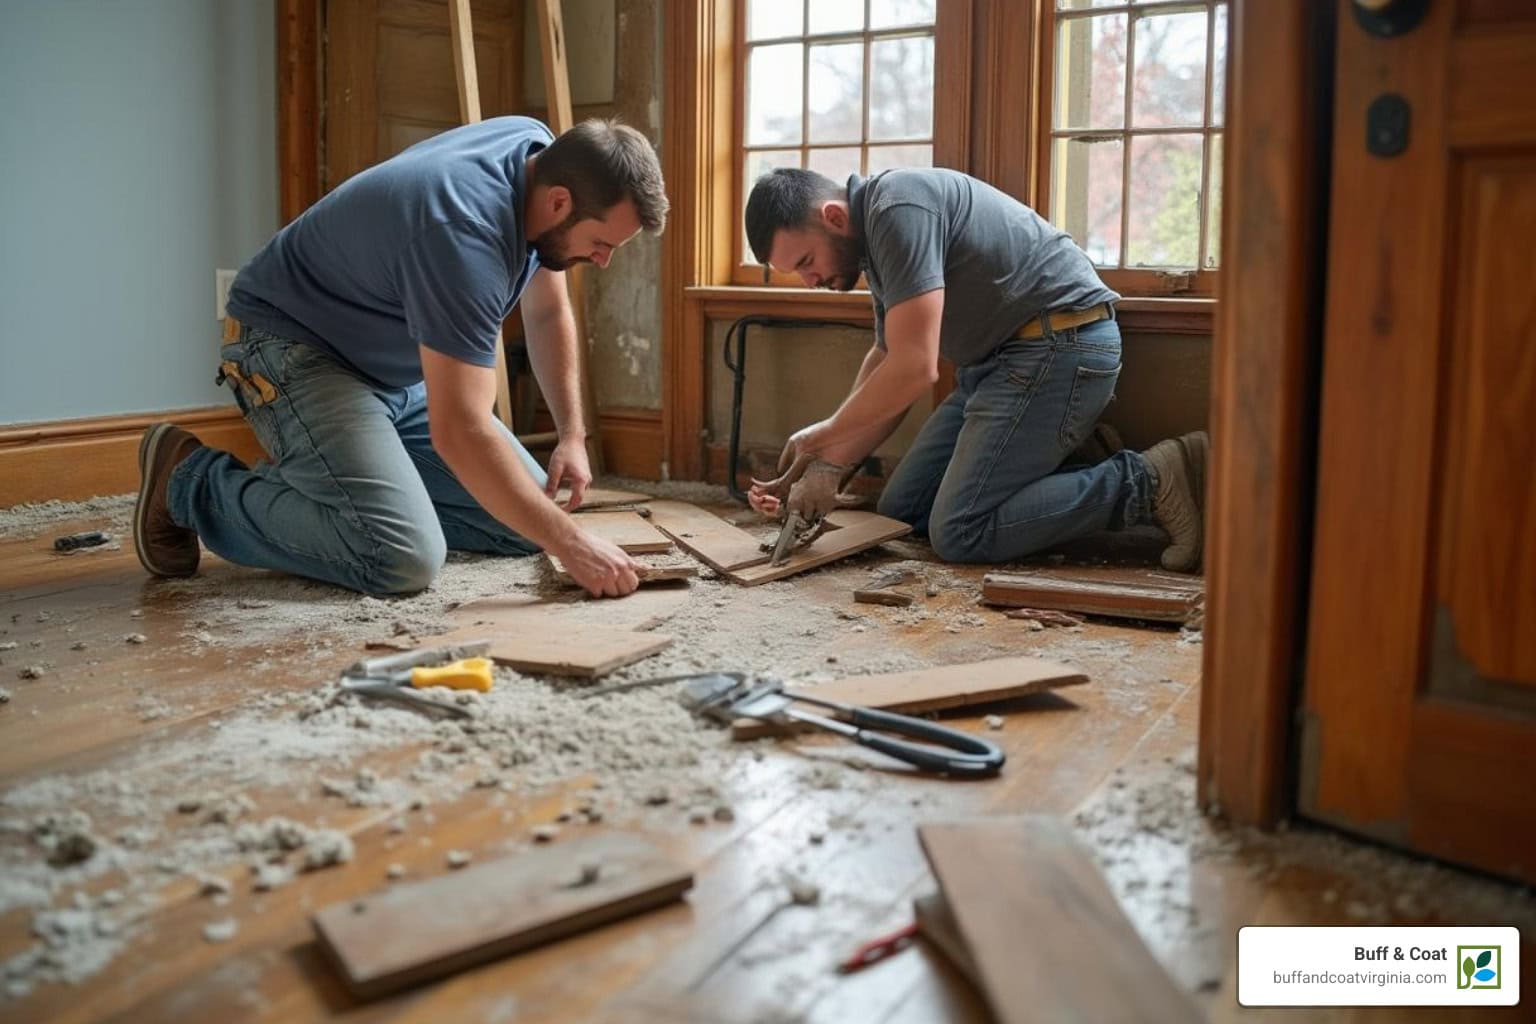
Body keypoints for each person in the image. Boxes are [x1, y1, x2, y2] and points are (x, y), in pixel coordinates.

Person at [132, 117, 667, 597]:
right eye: (602, 243)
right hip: (291, 351)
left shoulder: (538, 150)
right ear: (560, 203)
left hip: (391, 367)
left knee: (525, 522)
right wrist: (572, 544)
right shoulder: (464, 238)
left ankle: (357, 493)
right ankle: (189, 481)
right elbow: (461, 430)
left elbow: (547, 312)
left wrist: (572, 435)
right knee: (399, 557)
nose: (602, 260)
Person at [743, 167, 1207, 571]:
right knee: (903, 510)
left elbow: (913, 368)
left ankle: (1148, 479)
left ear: (834, 217)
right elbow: (888, 358)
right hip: (999, 365)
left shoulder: (898, 208)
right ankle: (1062, 458)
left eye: (806, 262)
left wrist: (821, 436)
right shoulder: (874, 236)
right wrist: (828, 466)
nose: (811, 281)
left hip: (1061, 347)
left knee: (960, 531)